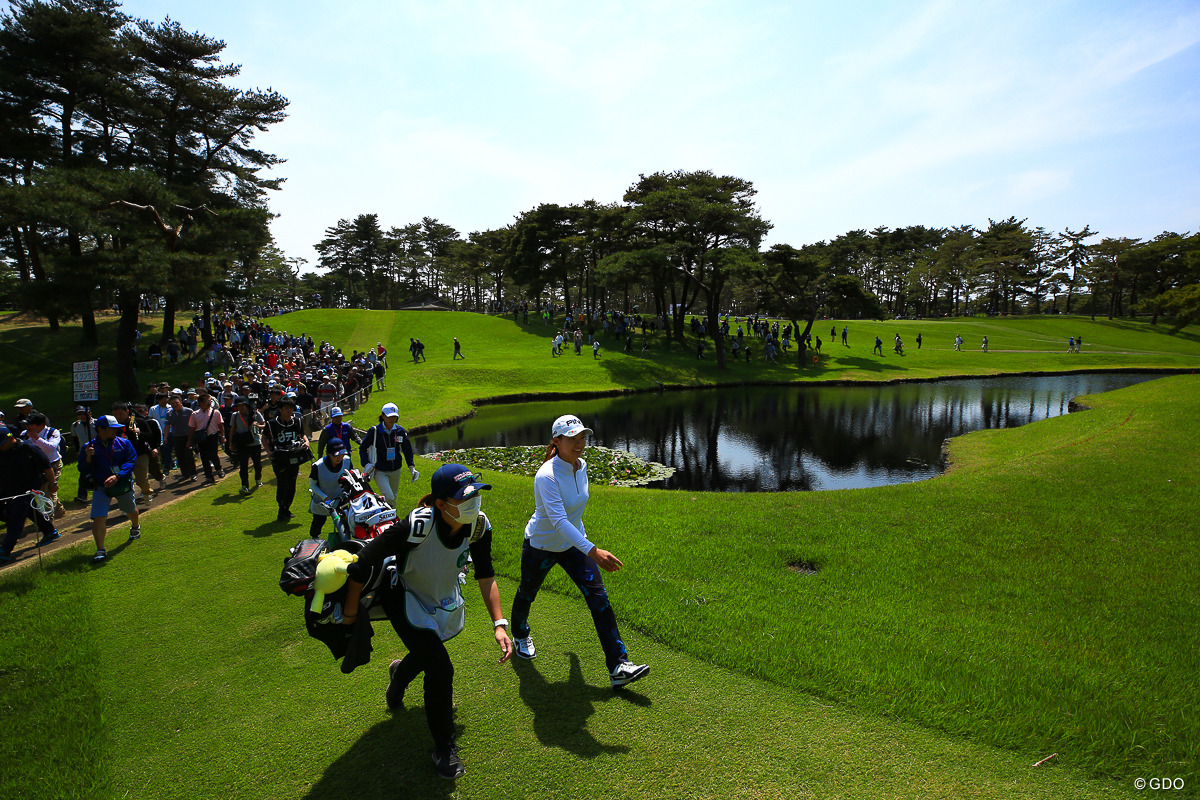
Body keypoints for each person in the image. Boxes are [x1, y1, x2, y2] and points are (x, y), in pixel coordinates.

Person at [341, 463, 512, 780]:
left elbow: (486, 575)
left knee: (427, 652)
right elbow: (362, 562)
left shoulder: (478, 526)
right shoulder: (416, 525)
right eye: (464, 498)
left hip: (439, 599)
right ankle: (443, 748)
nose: (473, 503)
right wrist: (350, 616)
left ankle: (398, 675)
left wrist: (499, 624)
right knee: (440, 666)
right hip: (402, 596)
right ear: (440, 504)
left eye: (475, 495)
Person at [509, 414, 649, 690]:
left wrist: (584, 544)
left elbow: (575, 515)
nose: (579, 443)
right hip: (541, 545)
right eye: (572, 438)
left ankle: (619, 666)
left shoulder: (581, 466)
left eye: (582, 437)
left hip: (574, 545)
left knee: (599, 599)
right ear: (557, 441)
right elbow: (558, 521)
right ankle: (519, 634)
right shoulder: (546, 476)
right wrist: (593, 551)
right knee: (527, 592)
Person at [80, 415, 140, 563]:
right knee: (99, 517)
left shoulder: (124, 443)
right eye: (112, 428)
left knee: (130, 510)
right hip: (101, 486)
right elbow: (82, 468)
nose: (115, 431)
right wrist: (88, 457)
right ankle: (100, 549)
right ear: (101, 429)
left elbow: (131, 461)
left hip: (121, 483)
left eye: (116, 428)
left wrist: (118, 476)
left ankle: (135, 525)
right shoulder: (88, 447)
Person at [0, 426, 58, 563]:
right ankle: (49, 531)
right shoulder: (1, 453)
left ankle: (6, 549)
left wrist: (53, 483)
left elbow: (46, 466)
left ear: (10, 438)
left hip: (27, 488)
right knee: (25, 511)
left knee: (17, 516)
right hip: (8, 489)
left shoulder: (28, 449)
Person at [360, 402, 417, 505]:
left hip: (396, 469)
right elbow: (362, 448)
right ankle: (378, 504)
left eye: (394, 417)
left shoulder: (400, 431)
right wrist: (366, 463)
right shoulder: (375, 431)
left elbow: (407, 449)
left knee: (393, 498)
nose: (392, 419)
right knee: (389, 497)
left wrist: (411, 467)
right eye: (389, 416)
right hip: (380, 470)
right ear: (382, 415)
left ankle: (392, 519)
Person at [264, 397, 309, 522]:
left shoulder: (297, 422)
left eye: (291, 408)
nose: (289, 410)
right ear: (280, 409)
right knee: (283, 484)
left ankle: (286, 508)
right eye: (286, 408)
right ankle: (281, 509)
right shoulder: (272, 424)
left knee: (292, 485)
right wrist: (268, 451)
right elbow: (264, 438)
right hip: (279, 458)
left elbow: (302, 434)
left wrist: (306, 441)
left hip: (293, 457)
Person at [22, 412, 65, 519]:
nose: (28, 427)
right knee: (42, 490)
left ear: (41, 425)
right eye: (26, 424)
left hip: (53, 464)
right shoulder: (24, 434)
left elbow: (51, 447)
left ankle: (48, 517)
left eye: (31, 424)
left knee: (50, 489)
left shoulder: (52, 432)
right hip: (37, 466)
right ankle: (59, 509)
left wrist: (37, 438)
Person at [308, 437, 353, 538]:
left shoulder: (347, 461)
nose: (339, 458)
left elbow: (351, 477)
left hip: (341, 498)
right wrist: (325, 497)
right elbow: (312, 484)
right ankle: (314, 541)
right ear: (328, 453)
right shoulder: (318, 466)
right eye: (336, 455)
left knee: (345, 523)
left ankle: (346, 542)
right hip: (322, 500)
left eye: (342, 454)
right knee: (318, 523)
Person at [228, 396, 266, 494]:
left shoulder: (255, 414)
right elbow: (232, 429)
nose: (241, 408)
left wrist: (257, 425)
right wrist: (231, 443)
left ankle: (258, 478)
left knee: (257, 464)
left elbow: (264, 425)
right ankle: (245, 485)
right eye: (238, 406)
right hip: (242, 443)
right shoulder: (235, 415)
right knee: (243, 466)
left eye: (242, 406)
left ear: (246, 405)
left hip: (255, 443)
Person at [188, 393, 226, 484]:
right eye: (207, 401)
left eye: (210, 401)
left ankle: (219, 468)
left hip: (213, 436)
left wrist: (222, 436)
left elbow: (220, 425)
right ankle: (209, 477)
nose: (209, 402)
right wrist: (189, 440)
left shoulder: (215, 412)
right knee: (204, 458)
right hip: (201, 437)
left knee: (213, 454)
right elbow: (192, 428)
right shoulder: (195, 414)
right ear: (201, 403)